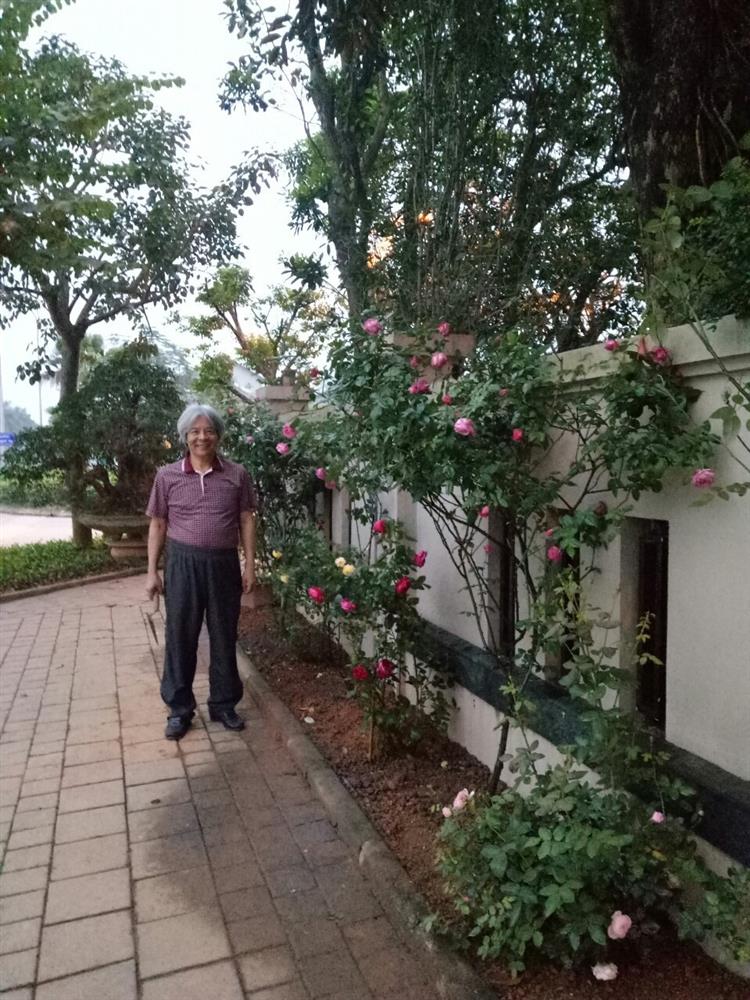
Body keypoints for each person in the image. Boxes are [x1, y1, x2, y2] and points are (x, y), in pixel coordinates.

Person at [145, 403, 257, 740]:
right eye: (194, 431)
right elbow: (158, 524)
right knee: (180, 636)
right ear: (185, 436)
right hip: (183, 564)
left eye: (208, 431)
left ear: (218, 435)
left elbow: (246, 519)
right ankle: (179, 710)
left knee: (224, 634)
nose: (202, 437)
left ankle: (223, 704)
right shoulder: (167, 476)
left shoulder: (237, 475)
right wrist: (152, 572)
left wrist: (250, 564)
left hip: (223, 564)